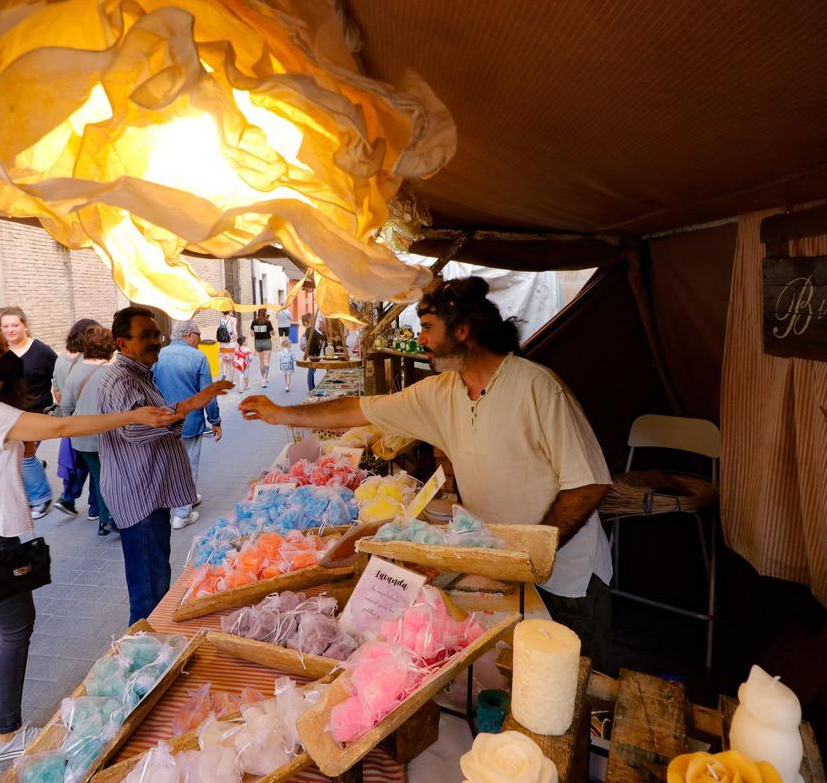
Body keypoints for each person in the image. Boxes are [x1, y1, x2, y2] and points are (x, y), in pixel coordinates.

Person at [239, 277, 615, 668]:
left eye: (428, 328)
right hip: (501, 573)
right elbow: (360, 408)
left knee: (576, 694)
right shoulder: (441, 393)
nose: (421, 340)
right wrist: (282, 413)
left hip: (567, 580)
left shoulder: (537, 387)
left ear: (463, 331)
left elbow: (589, 483)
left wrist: (534, 551)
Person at [0, 322, 181, 763]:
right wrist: (134, 414)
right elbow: (63, 426)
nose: (9, 354)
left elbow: (14, 450)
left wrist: (20, 446)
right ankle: (5, 735)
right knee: (16, 629)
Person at [96, 307, 232, 623]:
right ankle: (139, 660)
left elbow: (154, 415)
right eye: (146, 336)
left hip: (149, 494)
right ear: (122, 343)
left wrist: (195, 402)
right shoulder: (121, 380)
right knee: (148, 595)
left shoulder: (141, 373)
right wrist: (179, 414)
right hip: (139, 498)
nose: (156, 341)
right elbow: (134, 428)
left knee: (156, 579)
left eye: (156, 334)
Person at [152, 320, 222, 530]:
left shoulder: (159, 355)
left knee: (168, 463)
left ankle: (184, 497)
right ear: (190, 335)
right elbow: (207, 394)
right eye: (199, 336)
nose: (199, 340)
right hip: (189, 420)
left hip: (164, 420)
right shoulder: (198, 357)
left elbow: (151, 387)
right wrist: (215, 420)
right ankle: (182, 513)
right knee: (188, 463)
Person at [59, 326, 121, 535]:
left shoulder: (75, 372)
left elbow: (66, 407)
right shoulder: (114, 372)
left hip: (83, 438)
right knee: (109, 477)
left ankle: (104, 520)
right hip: (110, 435)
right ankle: (109, 517)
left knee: (99, 474)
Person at [0, 307, 58, 519]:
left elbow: (58, 374)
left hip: (35, 412)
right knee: (16, 456)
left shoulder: (41, 351)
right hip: (6, 413)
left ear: (25, 325)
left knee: (23, 455)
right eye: (5, 326)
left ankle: (41, 498)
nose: (10, 330)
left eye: (15, 325)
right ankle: (34, 470)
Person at [52, 319, 103, 518]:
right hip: (87, 420)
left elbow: (56, 390)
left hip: (71, 420)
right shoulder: (87, 361)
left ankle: (69, 497)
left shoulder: (61, 359)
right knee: (94, 466)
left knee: (78, 462)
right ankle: (95, 508)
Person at [250, 308, 274, 388]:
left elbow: (252, 334)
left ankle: (263, 378)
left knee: (261, 361)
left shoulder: (254, 322)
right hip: (267, 342)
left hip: (258, 342)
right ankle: (264, 379)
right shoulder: (267, 322)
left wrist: (258, 332)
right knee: (266, 361)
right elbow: (272, 333)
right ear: (265, 313)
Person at [301, 312, 324, 391]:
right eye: (313, 318)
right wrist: (324, 331)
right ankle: (311, 388)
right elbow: (321, 337)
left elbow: (319, 338)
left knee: (311, 370)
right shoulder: (311, 330)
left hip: (313, 352)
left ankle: (311, 387)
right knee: (311, 370)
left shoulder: (310, 329)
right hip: (313, 352)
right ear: (310, 319)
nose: (314, 319)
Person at [216, 309, 238, 383]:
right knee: (231, 362)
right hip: (231, 342)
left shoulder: (221, 319)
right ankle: (231, 380)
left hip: (223, 343)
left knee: (224, 360)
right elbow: (234, 332)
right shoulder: (233, 319)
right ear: (229, 311)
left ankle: (224, 374)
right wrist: (236, 341)